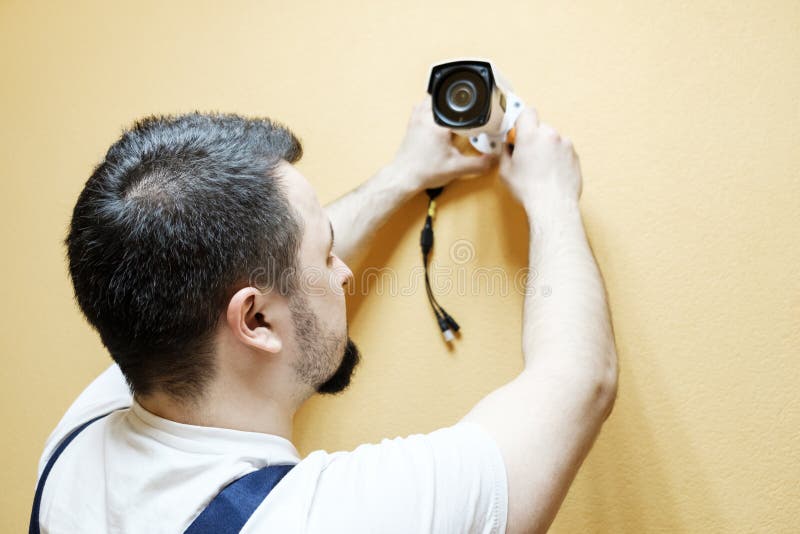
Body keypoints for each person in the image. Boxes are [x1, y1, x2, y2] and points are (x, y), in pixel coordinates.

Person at [32, 99, 618, 533]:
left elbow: (239, 268)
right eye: (327, 253)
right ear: (255, 321)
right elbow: (575, 382)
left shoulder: (78, 439)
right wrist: (552, 196)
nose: (342, 273)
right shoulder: (317, 519)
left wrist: (403, 176)